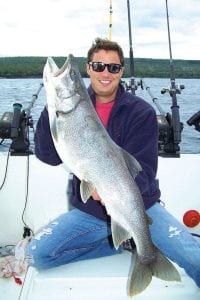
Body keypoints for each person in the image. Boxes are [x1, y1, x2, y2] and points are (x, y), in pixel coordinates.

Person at [27, 38, 200, 288]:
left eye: (113, 68)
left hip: (140, 205)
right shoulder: (71, 106)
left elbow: (145, 172)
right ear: (88, 69)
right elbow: (48, 156)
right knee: (38, 255)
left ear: (121, 71)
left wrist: (109, 191)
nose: (105, 73)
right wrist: (51, 108)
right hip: (91, 213)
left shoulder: (141, 112)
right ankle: (114, 245)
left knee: (193, 257)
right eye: (98, 66)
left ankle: (137, 242)